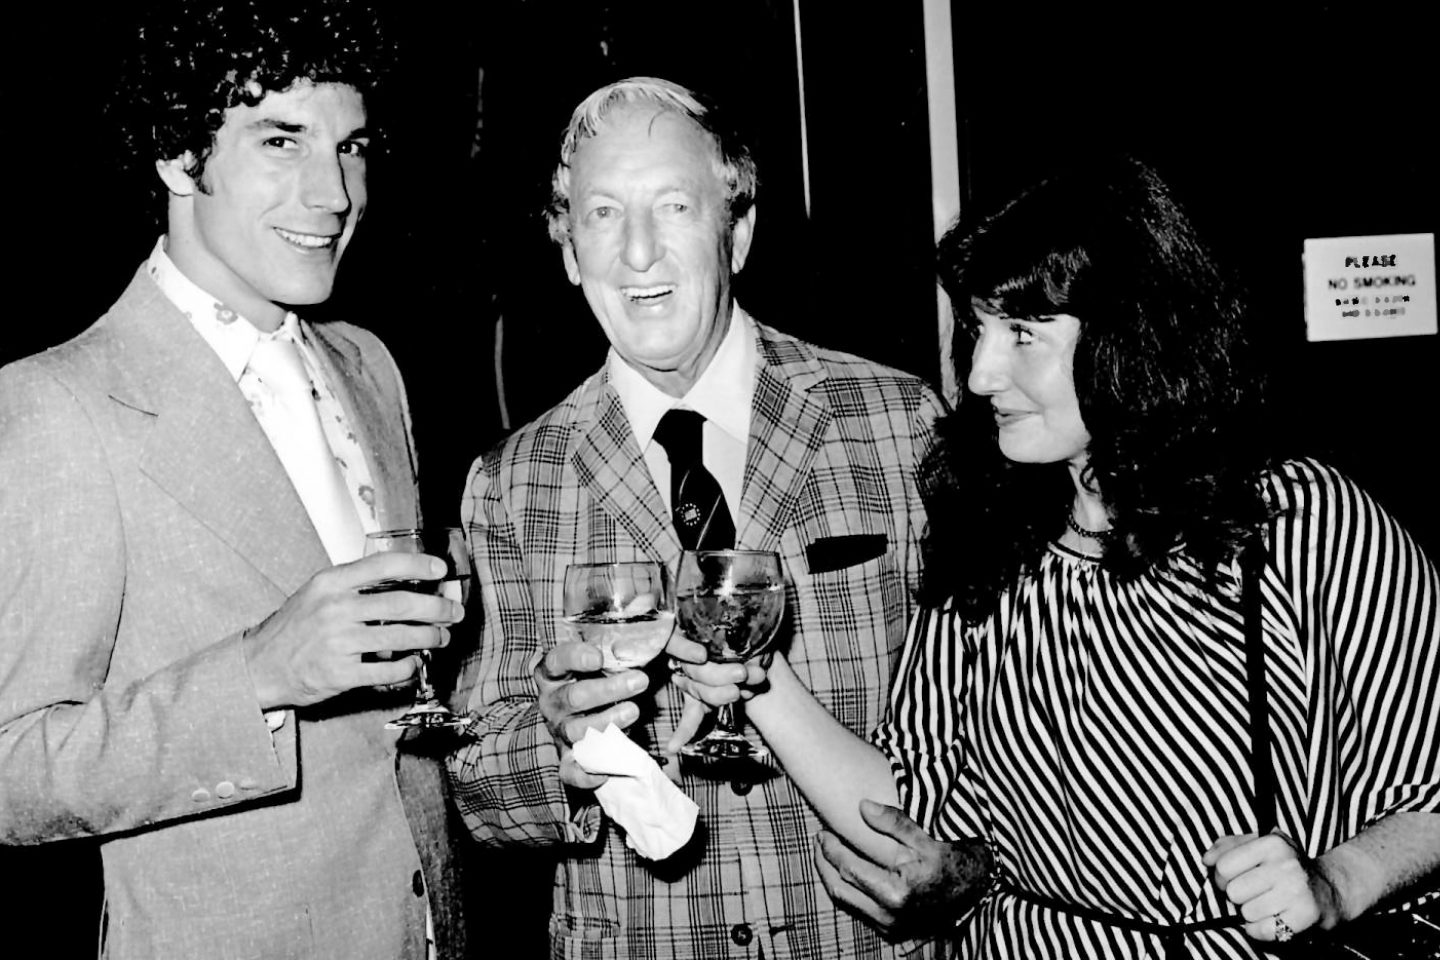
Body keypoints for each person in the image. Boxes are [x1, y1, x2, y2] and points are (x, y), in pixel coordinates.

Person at [737, 156, 1440, 957]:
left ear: (1131, 337)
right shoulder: (989, 536)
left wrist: (1334, 885)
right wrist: (754, 674)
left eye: (1023, 333)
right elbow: (909, 808)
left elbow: (1431, 790)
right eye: (977, 328)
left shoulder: (1298, 522)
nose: (980, 373)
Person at [0, 3, 469, 958]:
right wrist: (259, 674)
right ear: (179, 158)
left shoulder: (370, 366)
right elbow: (12, 772)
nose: (333, 195)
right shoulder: (62, 405)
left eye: (350, 147)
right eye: (282, 141)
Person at [446, 76, 948, 958]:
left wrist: (976, 864)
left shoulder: (897, 421)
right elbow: (479, 789)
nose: (638, 252)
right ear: (569, 252)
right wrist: (560, 748)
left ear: (737, 231)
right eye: (603, 214)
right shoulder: (514, 481)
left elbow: (1004, 716)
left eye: (673, 206)